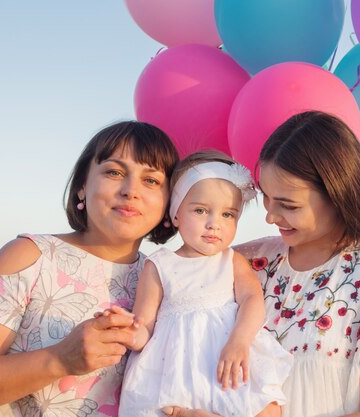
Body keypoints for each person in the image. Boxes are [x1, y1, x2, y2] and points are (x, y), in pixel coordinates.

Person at [163, 111, 360, 417]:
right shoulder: (246, 261)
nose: (270, 216)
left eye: (288, 205)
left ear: (338, 194)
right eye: (266, 196)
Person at [0, 120, 180, 416]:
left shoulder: (169, 282)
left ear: (169, 203)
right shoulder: (28, 258)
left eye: (151, 180)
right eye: (114, 172)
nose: (131, 190)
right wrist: (60, 359)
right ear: (83, 186)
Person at [117, 151, 292, 417]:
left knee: (265, 408)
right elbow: (145, 327)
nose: (214, 224)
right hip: (174, 368)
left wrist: (240, 340)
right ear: (176, 215)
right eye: (200, 211)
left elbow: (253, 301)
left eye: (227, 215)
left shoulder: (231, 260)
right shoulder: (160, 264)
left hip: (228, 358)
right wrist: (127, 331)